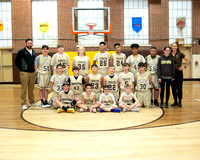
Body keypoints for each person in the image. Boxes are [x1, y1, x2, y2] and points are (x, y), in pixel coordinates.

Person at [15, 38, 37, 110]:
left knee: (31, 89)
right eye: (28, 43)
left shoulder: (33, 52)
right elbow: (16, 61)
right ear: (26, 43)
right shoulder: (21, 51)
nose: (30, 44)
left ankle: (31, 102)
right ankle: (23, 103)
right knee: (23, 89)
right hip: (24, 73)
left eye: (31, 43)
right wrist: (22, 68)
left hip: (32, 73)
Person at [170, 42, 190, 107]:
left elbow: (188, 60)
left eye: (175, 46)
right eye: (173, 46)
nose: (174, 47)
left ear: (177, 47)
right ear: (171, 47)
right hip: (172, 73)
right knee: (173, 88)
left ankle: (180, 101)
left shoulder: (180, 54)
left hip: (178, 72)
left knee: (179, 88)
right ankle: (175, 101)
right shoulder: (169, 54)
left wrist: (184, 67)